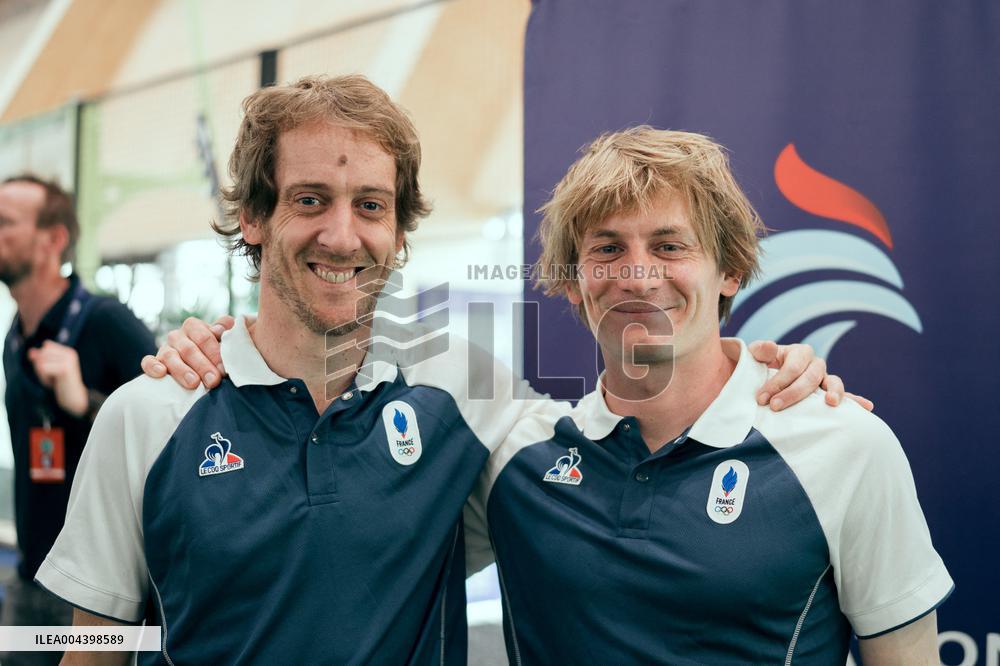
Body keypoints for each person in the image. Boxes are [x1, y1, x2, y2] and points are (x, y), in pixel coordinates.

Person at [46, 76, 838, 665]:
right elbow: (91, 646)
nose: (343, 235)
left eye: (370, 205)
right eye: (311, 199)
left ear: (398, 228)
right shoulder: (148, 415)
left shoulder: (465, 393)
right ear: (253, 218)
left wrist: (776, 382)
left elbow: (635, 436)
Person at [461, 127, 952, 663]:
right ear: (574, 281)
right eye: (607, 248)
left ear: (731, 269)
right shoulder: (511, 458)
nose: (638, 277)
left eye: (669, 246)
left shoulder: (845, 444)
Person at [0, 176, 155, 662]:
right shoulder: (16, 336)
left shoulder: (107, 322)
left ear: (54, 240)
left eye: (5, 222)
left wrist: (83, 401)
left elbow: (172, 436)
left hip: (94, 598)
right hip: (30, 576)